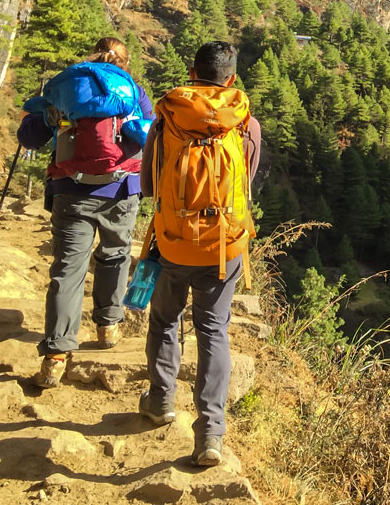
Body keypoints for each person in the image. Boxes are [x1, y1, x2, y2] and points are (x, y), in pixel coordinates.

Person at [140, 41, 261, 468]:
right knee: (213, 331)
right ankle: (210, 434)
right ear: (231, 79)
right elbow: (248, 181)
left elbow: (150, 185)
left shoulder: (167, 118)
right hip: (224, 248)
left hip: (173, 240)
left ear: (192, 72)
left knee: (164, 319)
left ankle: (160, 401)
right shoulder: (245, 123)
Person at [18, 38, 154, 388]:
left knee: (68, 270)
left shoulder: (69, 86)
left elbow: (30, 138)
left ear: (93, 55)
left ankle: (56, 356)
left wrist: (43, 118)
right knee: (116, 254)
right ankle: (108, 326)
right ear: (125, 62)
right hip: (122, 189)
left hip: (71, 190)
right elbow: (149, 136)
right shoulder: (133, 93)